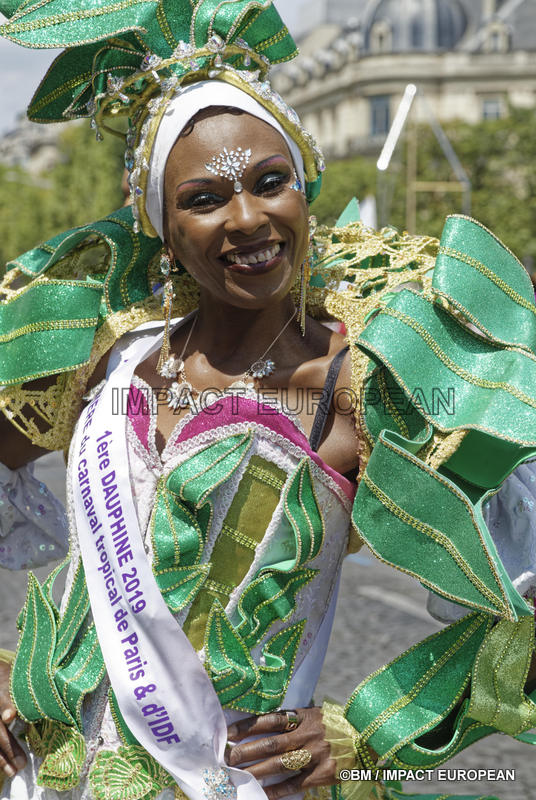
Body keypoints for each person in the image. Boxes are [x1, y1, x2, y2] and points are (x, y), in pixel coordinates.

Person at [1, 2, 536, 800]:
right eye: (204, 199)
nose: (248, 218)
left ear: (304, 186)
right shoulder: (101, 358)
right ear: (161, 222)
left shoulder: (369, 380)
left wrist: (379, 731)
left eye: (270, 182)